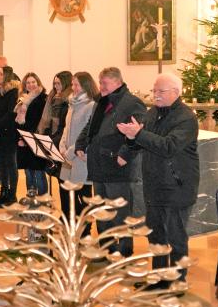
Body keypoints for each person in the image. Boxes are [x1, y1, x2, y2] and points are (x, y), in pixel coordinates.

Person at [117, 73, 199, 289]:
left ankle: (177, 282)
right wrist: (130, 139)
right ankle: (159, 279)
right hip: (154, 184)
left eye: (160, 91)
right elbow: (143, 141)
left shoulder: (186, 117)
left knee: (176, 238)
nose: (155, 95)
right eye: (154, 91)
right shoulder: (152, 113)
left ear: (176, 92)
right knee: (156, 235)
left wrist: (139, 134)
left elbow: (169, 146)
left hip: (177, 186)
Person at [75, 67, 146, 257]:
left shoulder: (132, 103)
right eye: (100, 82)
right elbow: (91, 127)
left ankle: (124, 253)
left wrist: (125, 155)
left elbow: (138, 132)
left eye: (104, 82)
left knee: (120, 213)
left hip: (117, 167)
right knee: (101, 211)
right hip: (98, 166)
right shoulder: (102, 101)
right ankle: (106, 248)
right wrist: (80, 144)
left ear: (117, 82)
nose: (100, 86)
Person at [58, 72, 97, 225]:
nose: (73, 87)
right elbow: (66, 129)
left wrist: (69, 151)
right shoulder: (72, 104)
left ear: (86, 86)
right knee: (66, 194)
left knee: (83, 197)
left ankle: (84, 230)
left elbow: (86, 134)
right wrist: (61, 145)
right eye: (72, 84)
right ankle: (70, 225)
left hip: (80, 157)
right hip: (67, 158)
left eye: (76, 85)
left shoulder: (91, 105)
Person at [0, 66, 20, 206]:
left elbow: (10, 114)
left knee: (11, 164)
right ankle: (3, 192)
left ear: (6, 76)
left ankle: (12, 195)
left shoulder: (12, 92)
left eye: (0, 74)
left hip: (8, 133)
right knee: (2, 165)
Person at [15, 72, 49, 196]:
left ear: (38, 83)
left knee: (39, 172)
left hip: (36, 139)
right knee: (28, 172)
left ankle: (43, 200)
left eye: (33, 82)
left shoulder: (43, 98)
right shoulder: (22, 99)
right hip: (23, 140)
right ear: (25, 85)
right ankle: (31, 198)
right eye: (28, 82)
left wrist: (28, 138)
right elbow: (19, 122)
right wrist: (20, 138)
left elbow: (40, 121)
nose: (31, 85)